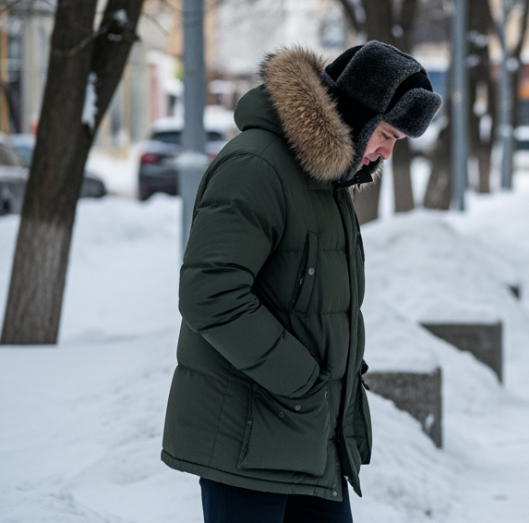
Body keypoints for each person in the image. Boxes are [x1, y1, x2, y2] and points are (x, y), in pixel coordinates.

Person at [160, 42, 441, 523]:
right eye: (386, 134)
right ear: (357, 113)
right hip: (247, 443)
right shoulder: (256, 167)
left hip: (310, 437)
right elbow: (211, 294)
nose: (387, 152)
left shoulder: (325, 184)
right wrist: (304, 383)